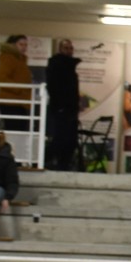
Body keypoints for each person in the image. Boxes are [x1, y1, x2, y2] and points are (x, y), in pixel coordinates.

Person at [41, 37, 80, 171]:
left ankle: (64, 164)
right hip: (61, 109)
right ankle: (49, 161)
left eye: (71, 48)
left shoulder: (70, 67)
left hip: (71, 109)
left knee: (71, 140)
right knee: (60, 138)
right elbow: (53, 87)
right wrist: (60, 106)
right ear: (60, 49)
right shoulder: (56, 65)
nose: (69, 51)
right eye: (66, 48)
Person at [0, 33, 32, 132]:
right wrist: (19, 89)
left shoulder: (21, 60)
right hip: (11, 102)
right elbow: (2, 78)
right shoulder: (8, 58)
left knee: (20, 131)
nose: (24, 47)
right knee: (15, 130)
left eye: (25, 45)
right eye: (21, 44)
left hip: (20, 101)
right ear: (13, 45)